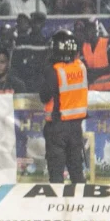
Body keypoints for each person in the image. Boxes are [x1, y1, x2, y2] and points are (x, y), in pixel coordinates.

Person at [38, 30, 88, 184]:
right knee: (76, 172)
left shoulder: (54, 70)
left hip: (57, 126)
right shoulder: (81, 67)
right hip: (76, 127)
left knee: (56, 173)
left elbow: (44, 96)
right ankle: (81, 204)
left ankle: (56, 206)